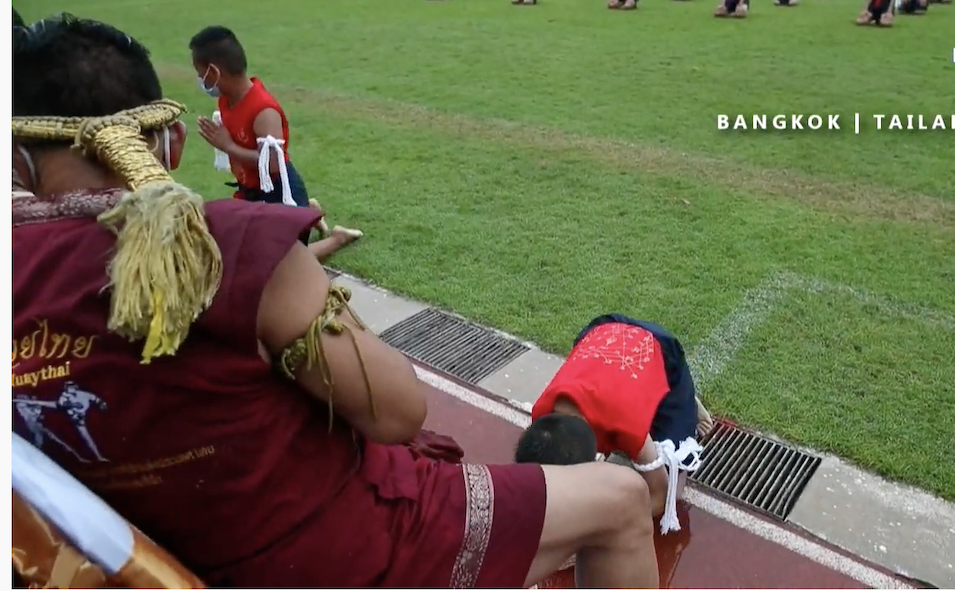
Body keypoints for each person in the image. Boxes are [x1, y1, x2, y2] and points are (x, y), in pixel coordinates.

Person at [12, 14, 662, 589]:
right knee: (620, 498)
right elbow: (396, 412)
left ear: (20, 161)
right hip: (328, 548)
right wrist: (291, 277)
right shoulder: (226, 242)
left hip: (164, 547)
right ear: (164, 142)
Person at [515, 314, 713, 534]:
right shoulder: (542, 414)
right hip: (600, 331)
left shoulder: (627, 425)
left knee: (676, 478)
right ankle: (659, 391)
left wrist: (596, 528)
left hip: (658, 347)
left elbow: (660, 497)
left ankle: (680, 395)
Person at [188, 25, 361, 250]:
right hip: (253, 194)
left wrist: (228, 146)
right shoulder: (227, 100)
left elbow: (271, 164)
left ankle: (338, 237)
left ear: (214, 71)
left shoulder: (263, 110)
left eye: (201, 75)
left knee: (280, 267)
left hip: (279, 192)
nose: (201, 81)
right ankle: (308, 212)